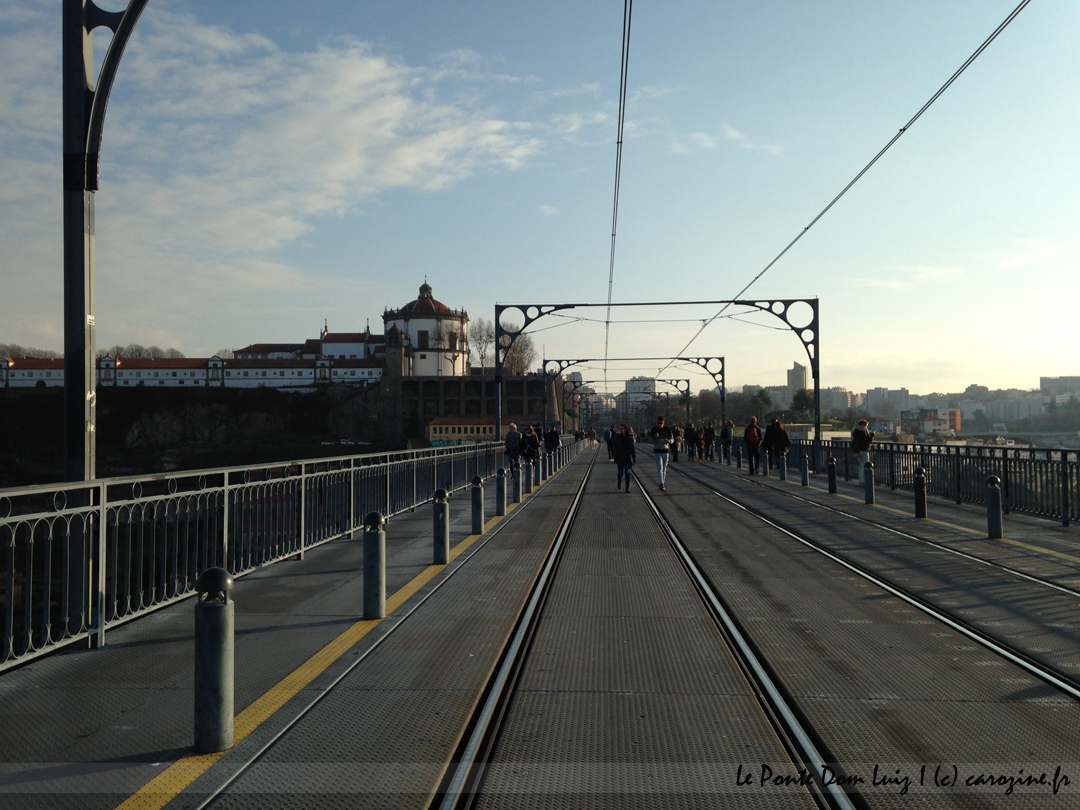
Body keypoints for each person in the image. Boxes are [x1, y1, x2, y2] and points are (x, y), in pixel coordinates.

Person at [649, 415, 673, 491]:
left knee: (664, 468)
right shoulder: (654, 430)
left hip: (665, 451)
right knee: (660, 468)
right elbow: (651, 441)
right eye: (658, 423)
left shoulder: (667, 429)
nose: (659, 424)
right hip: (657, 451)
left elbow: (672, 439)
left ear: (663, 422)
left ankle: (662, 482)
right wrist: (655, 437)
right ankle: (661, 484)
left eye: (661, 423)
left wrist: (669, 441)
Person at [612, 423, 636, 492]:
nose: (620, 430)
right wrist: (615, 458)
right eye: (619, 429)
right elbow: (615, 448)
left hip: (627, 458)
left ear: (625, 429)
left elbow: (632, 449)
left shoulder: (629, 438)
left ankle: (627, 487)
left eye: (622, 429)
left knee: (627, 473)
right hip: (620, 458)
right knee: (620, 473)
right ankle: (619, 481)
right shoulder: (617, 437)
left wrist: (634, 458)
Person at [851, 419, 875, 487]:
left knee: (860, 466)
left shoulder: (856, 431)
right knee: (866, 465)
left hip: (858, 450)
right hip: (864, 450)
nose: (867, 427)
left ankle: (860, 481)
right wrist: (872, 435)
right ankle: (863, 481)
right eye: (866, 425)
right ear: (864, 425)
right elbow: (868, 440)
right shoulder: (863, 431)